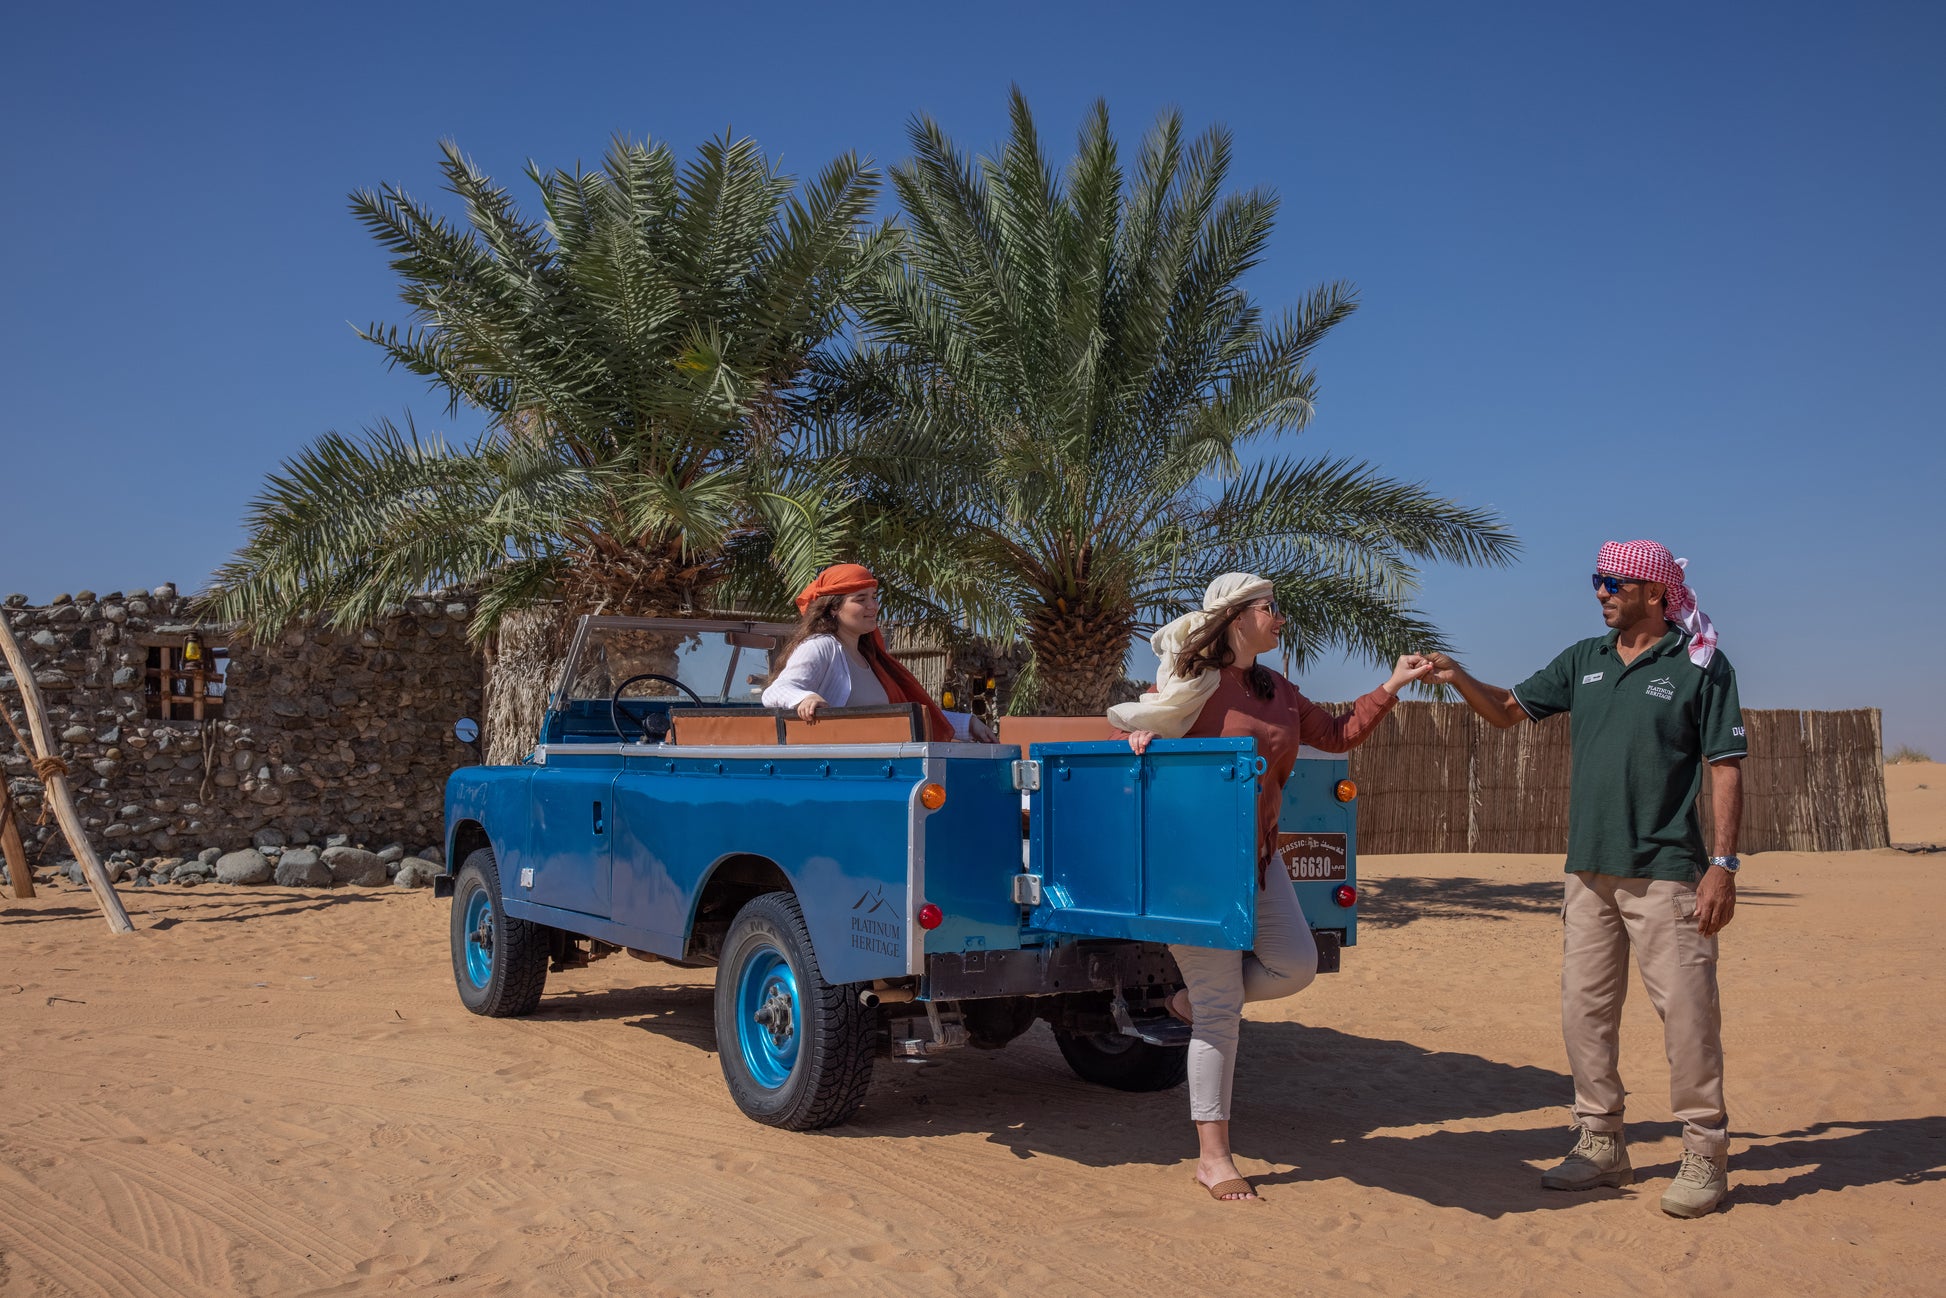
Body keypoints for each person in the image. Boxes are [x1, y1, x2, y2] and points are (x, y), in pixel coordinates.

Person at [1425, 539, 1744, 1218]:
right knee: (1585, 1013)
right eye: (1597, 580)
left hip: (1668, 873)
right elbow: (1509, 711)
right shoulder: (1584, 661)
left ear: (1657, 594)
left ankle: (1705, 1154)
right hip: (1588, 871)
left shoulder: (1700, 667)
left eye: (1615, 583)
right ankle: (1601, 1143)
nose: (1601, 592)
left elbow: (1724, 767)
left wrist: (1722, 865)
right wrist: (1459, 678)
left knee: (1687, 1017)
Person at [1108, 573, 1432, 1201]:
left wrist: (1392, 684)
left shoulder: (1276, 688)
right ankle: (1213, 1157)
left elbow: (1335, 736)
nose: (1280, 617)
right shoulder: (1188, 684)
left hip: (1259, 857)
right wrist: (1138, 738)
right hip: (1193, 867)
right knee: (1222, 1007)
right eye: (1270, 608)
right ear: (1235, 617)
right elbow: (1145, 729)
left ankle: (1188, 1006)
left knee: (1296, 964)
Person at [763, 563, 993, 742]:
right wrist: (805, 697)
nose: (873, 606)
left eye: (873, 597)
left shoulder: (870, 658)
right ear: (833, 607)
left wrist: (968, 724)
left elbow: (900, 715)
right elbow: (776, 691)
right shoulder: (821, 646)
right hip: (844, 772)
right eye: (860, 599)